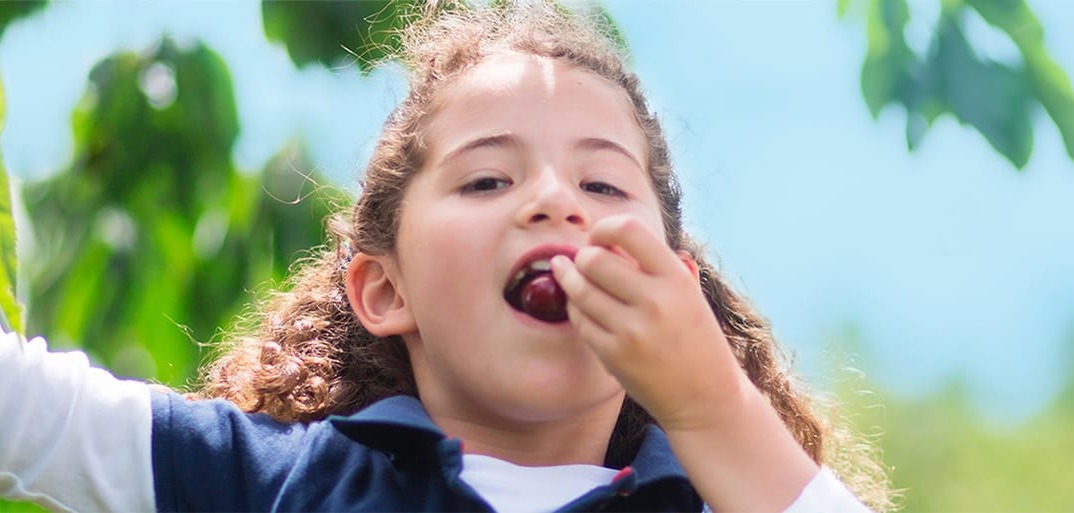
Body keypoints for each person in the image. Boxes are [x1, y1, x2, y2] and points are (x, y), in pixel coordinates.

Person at [1, 2, 893, 512]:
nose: (554, 199)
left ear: (678, 295)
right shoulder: (280, 480)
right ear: (385, 290)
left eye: (606, 187)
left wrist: (711, 410)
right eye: (486, 181)